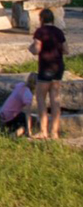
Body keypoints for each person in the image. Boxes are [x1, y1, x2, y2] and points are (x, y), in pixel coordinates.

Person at [30, 8, 66, 140]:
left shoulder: (40, 32)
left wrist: (31, 48)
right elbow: (66, 50)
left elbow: (36, 50)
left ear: (41, 19)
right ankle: (54, 132)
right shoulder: (59, 32)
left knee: (41, 99)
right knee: (55, 100)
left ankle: (43, 131)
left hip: (46, 67)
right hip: (58, 67)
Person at [0, 73, 36, 137]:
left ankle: (8, 131)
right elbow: (28, 114)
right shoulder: (28, 94)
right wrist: (29, 129)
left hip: (3, 112)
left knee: (21, 115)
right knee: (25, 122)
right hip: (11, 116)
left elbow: (13, 86)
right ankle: (14, 135)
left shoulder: (21, 85)